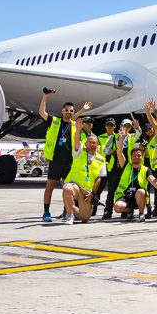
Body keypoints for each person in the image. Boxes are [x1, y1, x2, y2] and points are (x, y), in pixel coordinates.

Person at [38, 89, 92, 222]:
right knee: (50, 186)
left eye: (71, 111)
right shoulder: (55, 121)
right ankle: (46, 212)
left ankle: (66, 211)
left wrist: (82, 111)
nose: (68, 112)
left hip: (69, 162)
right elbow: (42, 113)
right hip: (56, 160)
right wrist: (45, 97)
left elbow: (81, 137)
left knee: (68, 188)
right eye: (66, 110)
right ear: (62, 111)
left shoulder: (74, 125)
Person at [61, 118, 107, 225]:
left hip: (87, 190)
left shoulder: (101, 159)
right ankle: (69, 215)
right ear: (85, 143)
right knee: (67, 189)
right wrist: (78, 129)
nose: (92, 144)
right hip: (75, 185)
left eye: (94, 143)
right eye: (90, 142)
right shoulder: (79, 152)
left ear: (97, 145)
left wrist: (93, 194)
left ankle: (71, 207)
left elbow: (99, 179)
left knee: (85, 218)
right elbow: (76, 141)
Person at [113, 139, 157, 222]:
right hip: (125, 196)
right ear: (131, 157)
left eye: (139, 156)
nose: (136, 157)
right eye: (134, 156)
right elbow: (119, 152)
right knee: (117, 207)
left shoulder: (146, 169)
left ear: (142, 157)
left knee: (141, 191)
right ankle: (129, 210)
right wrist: (121, 139)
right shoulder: (126, 166)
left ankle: (141, 214)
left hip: (140, 197)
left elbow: (152, 179)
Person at [98, 118, 122, 220]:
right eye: (108, 125)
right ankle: (92, 209)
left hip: (112, 167)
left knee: (112, 190)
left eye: (112, 125)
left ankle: (108, 211)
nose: (110, 127)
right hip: (101, 166)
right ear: (105, 126)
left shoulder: (118, 136)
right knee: (97, 190)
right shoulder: (100, 137)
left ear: (115, 126)